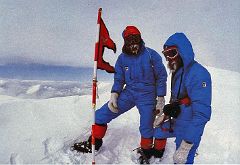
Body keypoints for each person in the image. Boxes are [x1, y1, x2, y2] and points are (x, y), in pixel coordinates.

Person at [72, 26, 167, 163]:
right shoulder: (122, 59)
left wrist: (161, 97)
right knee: (100, 115)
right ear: (125, 41)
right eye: (130, 39)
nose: (134, 42)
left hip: (147, 94)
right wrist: (114, 94)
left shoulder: (152, 55)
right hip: (129, 93)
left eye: (136, 38)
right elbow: (119, 79)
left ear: (140, 38)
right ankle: (94, 144)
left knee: (146, 125)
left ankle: (146, 151)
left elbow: (161, 76)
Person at [153, 32, 212, 164]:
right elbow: (177, 99)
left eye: (172, 53)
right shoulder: (178, 71)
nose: (169, 58)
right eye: (166, 54)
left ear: (182, 51)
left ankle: (189, 151)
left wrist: (186, 146)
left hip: (190, 126)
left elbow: (201, 114)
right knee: (158, 131)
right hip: (178, 119)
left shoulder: (198, 74)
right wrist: (166, 115)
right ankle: (157, 154)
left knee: (182, 160)